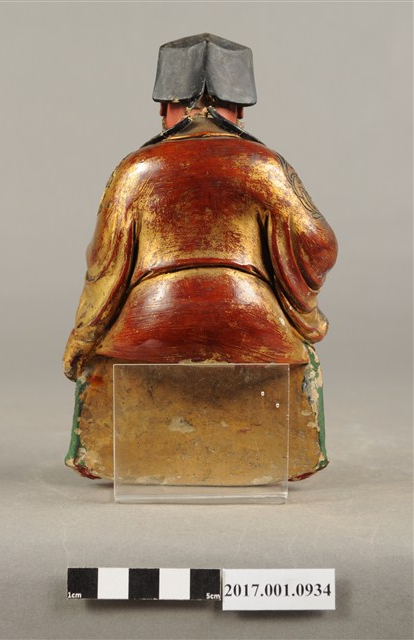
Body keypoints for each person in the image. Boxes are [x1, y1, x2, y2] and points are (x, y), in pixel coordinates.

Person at [63, 33, 337, 481]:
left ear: (163, 107)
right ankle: (287, 454)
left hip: (149, 326)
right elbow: (320, 244)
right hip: (253, 321)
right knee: (300, 355)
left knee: (99, 359)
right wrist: (299, 309)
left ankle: (103, 454)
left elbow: (104, 264)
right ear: (241, 109)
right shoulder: (265, 166)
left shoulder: (136, 169)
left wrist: (83, 336)